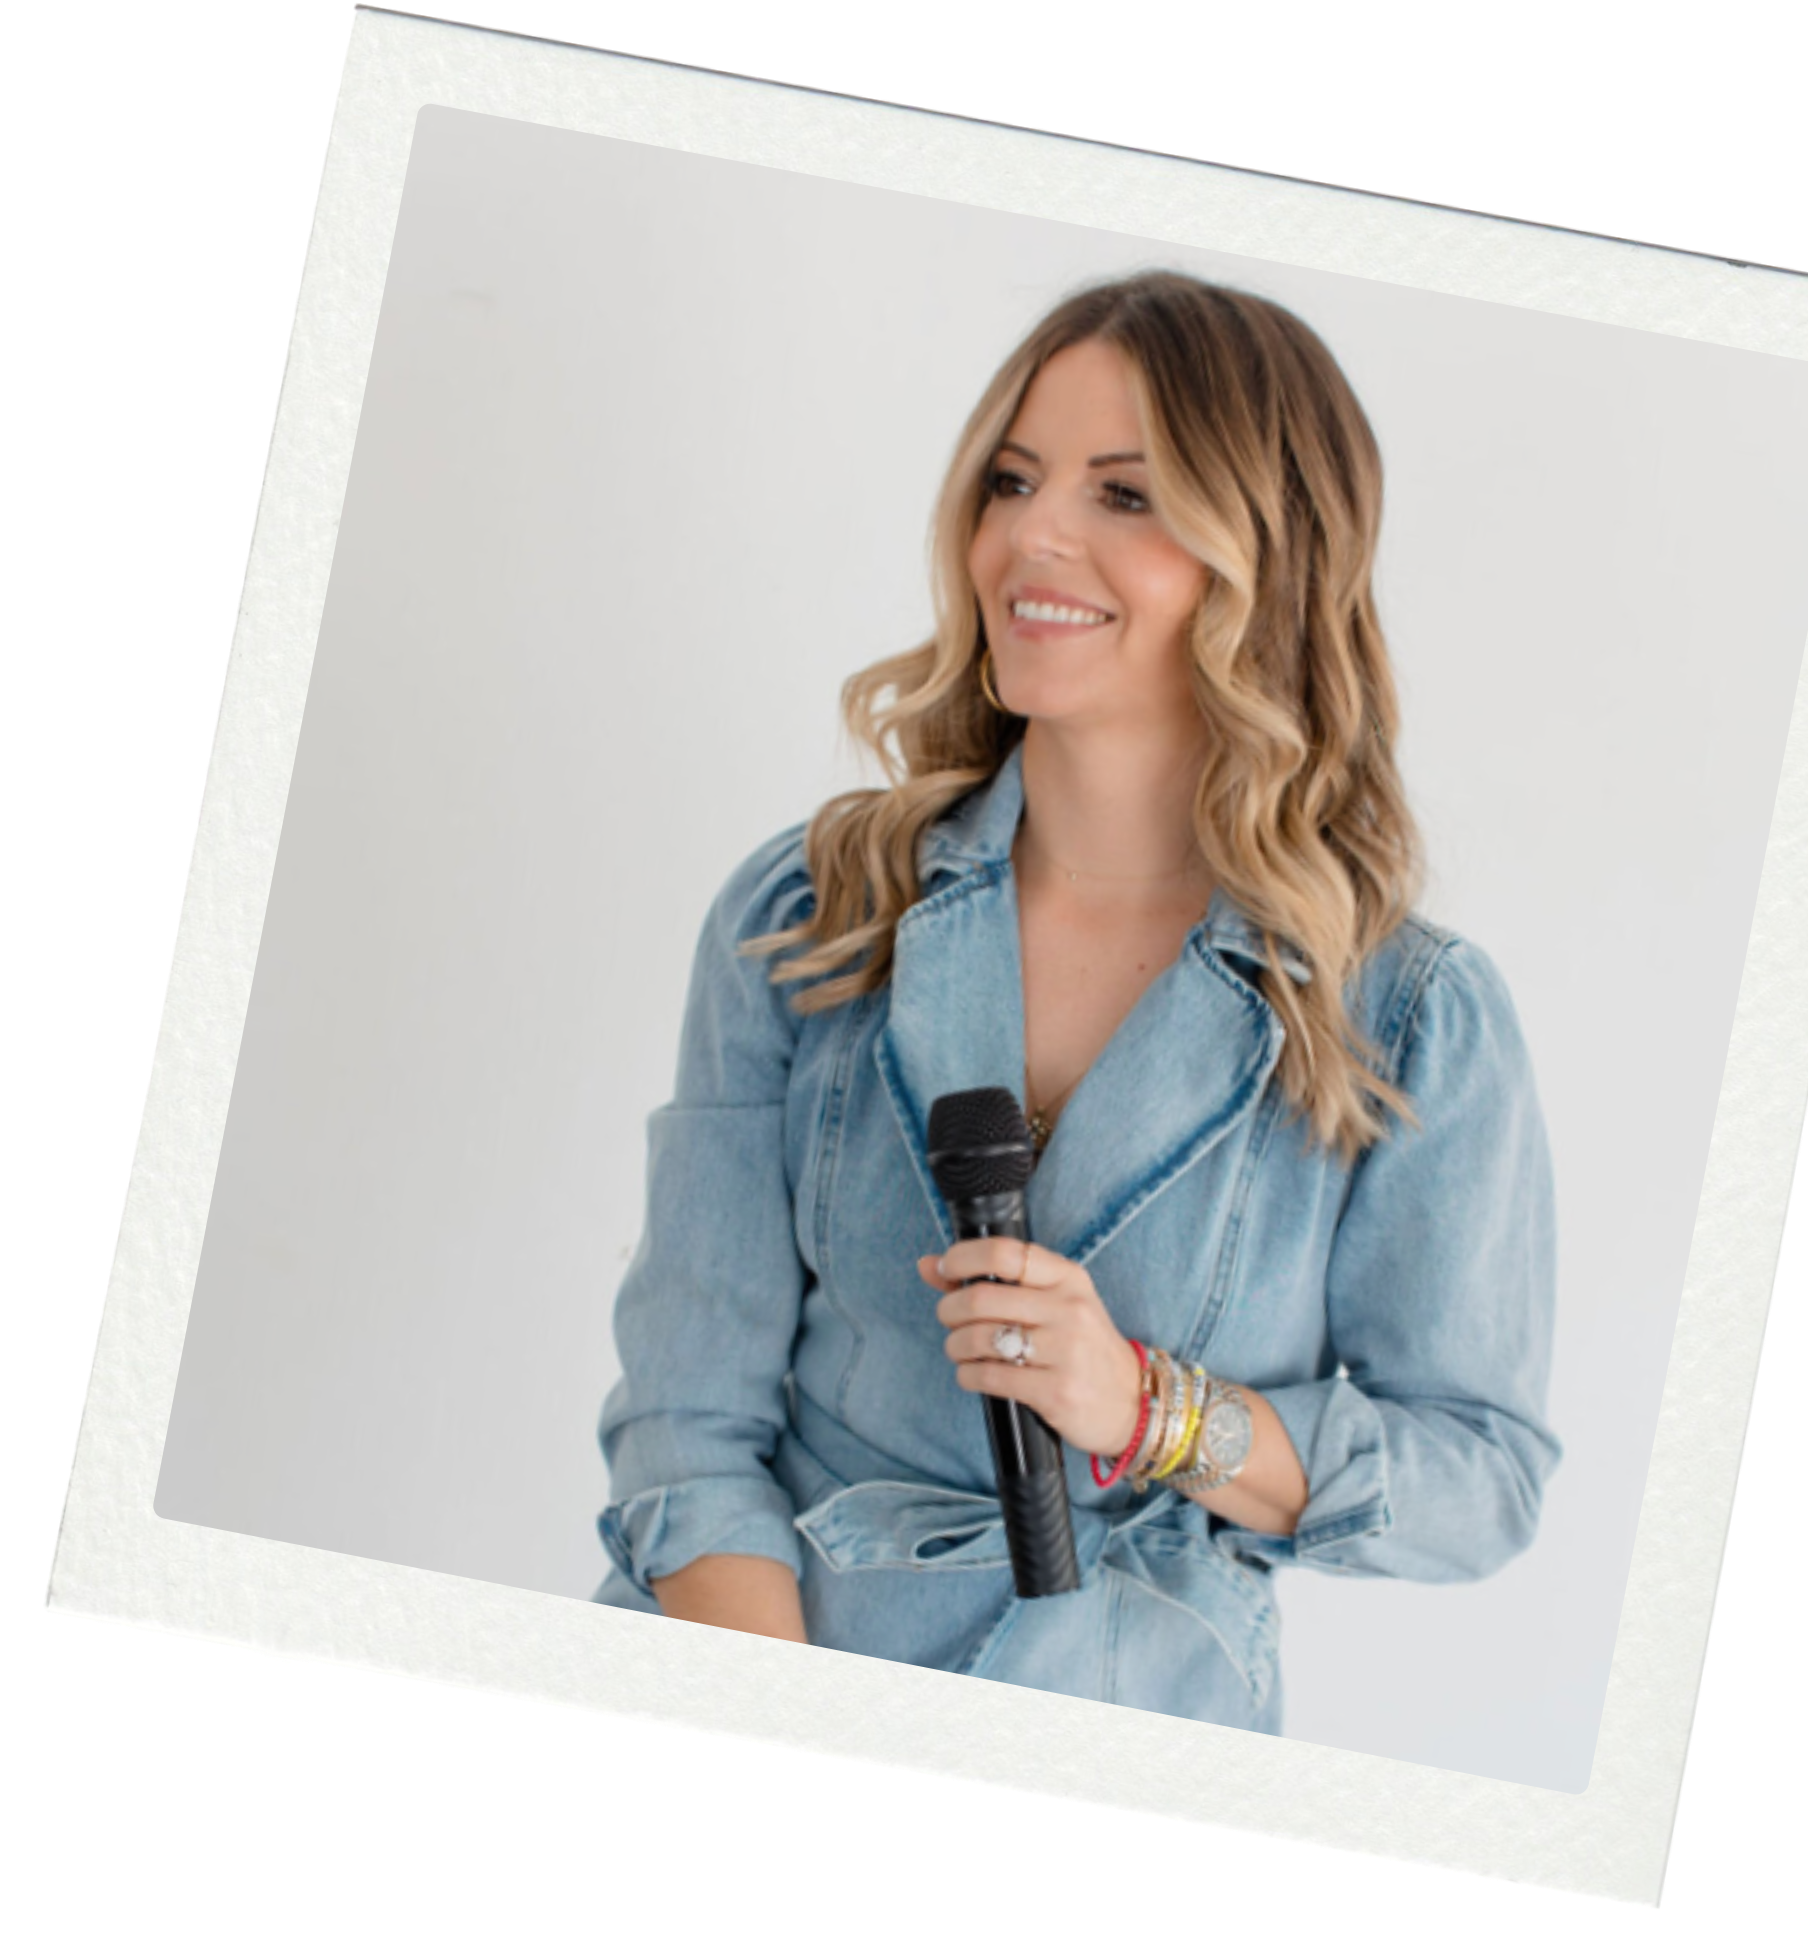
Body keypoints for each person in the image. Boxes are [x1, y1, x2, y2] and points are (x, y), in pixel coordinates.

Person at [592, 271, 1560, 1733]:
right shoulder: (813, 916)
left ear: (1269, 559)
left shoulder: (1409, 1018)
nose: (1031, 537)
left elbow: (1480, 1479)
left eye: (1127, 494)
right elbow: (686, 1425)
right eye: (1012, 480)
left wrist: (1155, 1410)